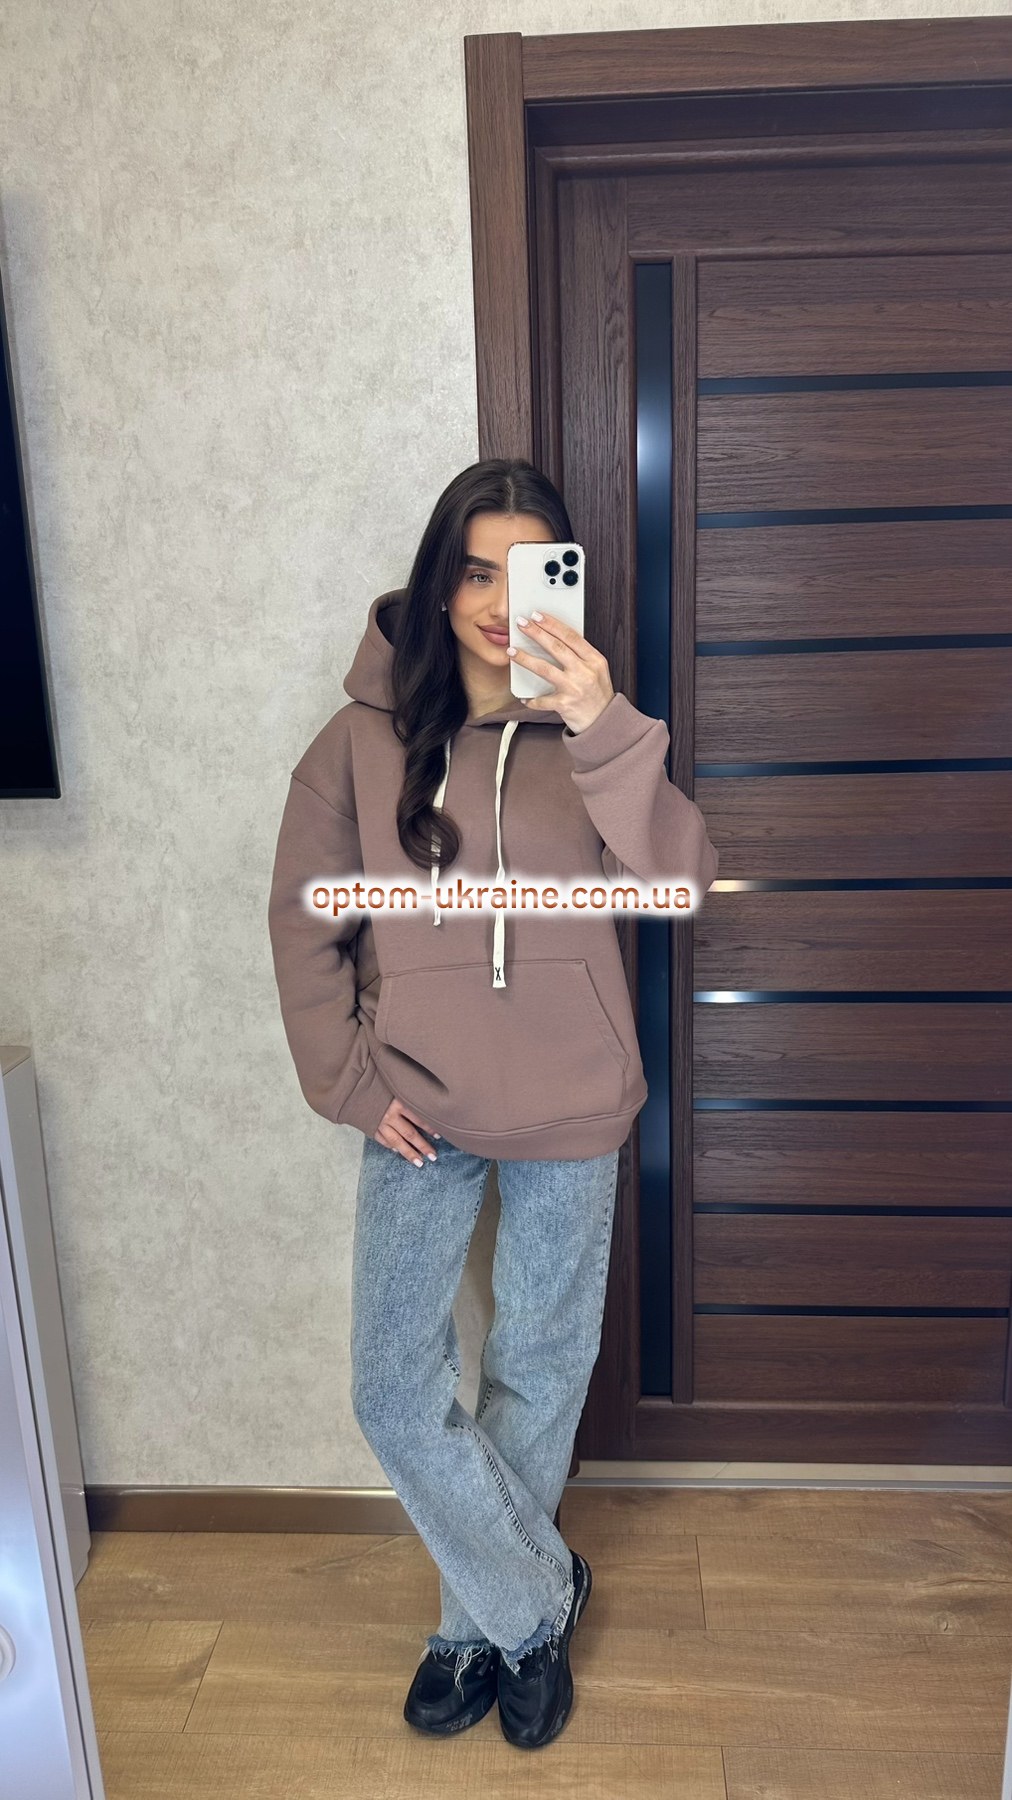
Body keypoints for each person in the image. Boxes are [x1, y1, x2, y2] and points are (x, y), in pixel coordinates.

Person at [267, 457, 719, 1751]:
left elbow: (684, 882)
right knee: (392, 1388)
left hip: (573, 1104)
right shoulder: (358, 743)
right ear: (438, 579)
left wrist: (607, 726)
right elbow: (305, 926)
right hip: (419, 1108)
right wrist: (351, 1083)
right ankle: (535, 1605)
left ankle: (472, 1632)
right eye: (475, 569)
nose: (496, 601)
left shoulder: (596, 733)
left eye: (527, 573)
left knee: (537, 1366)